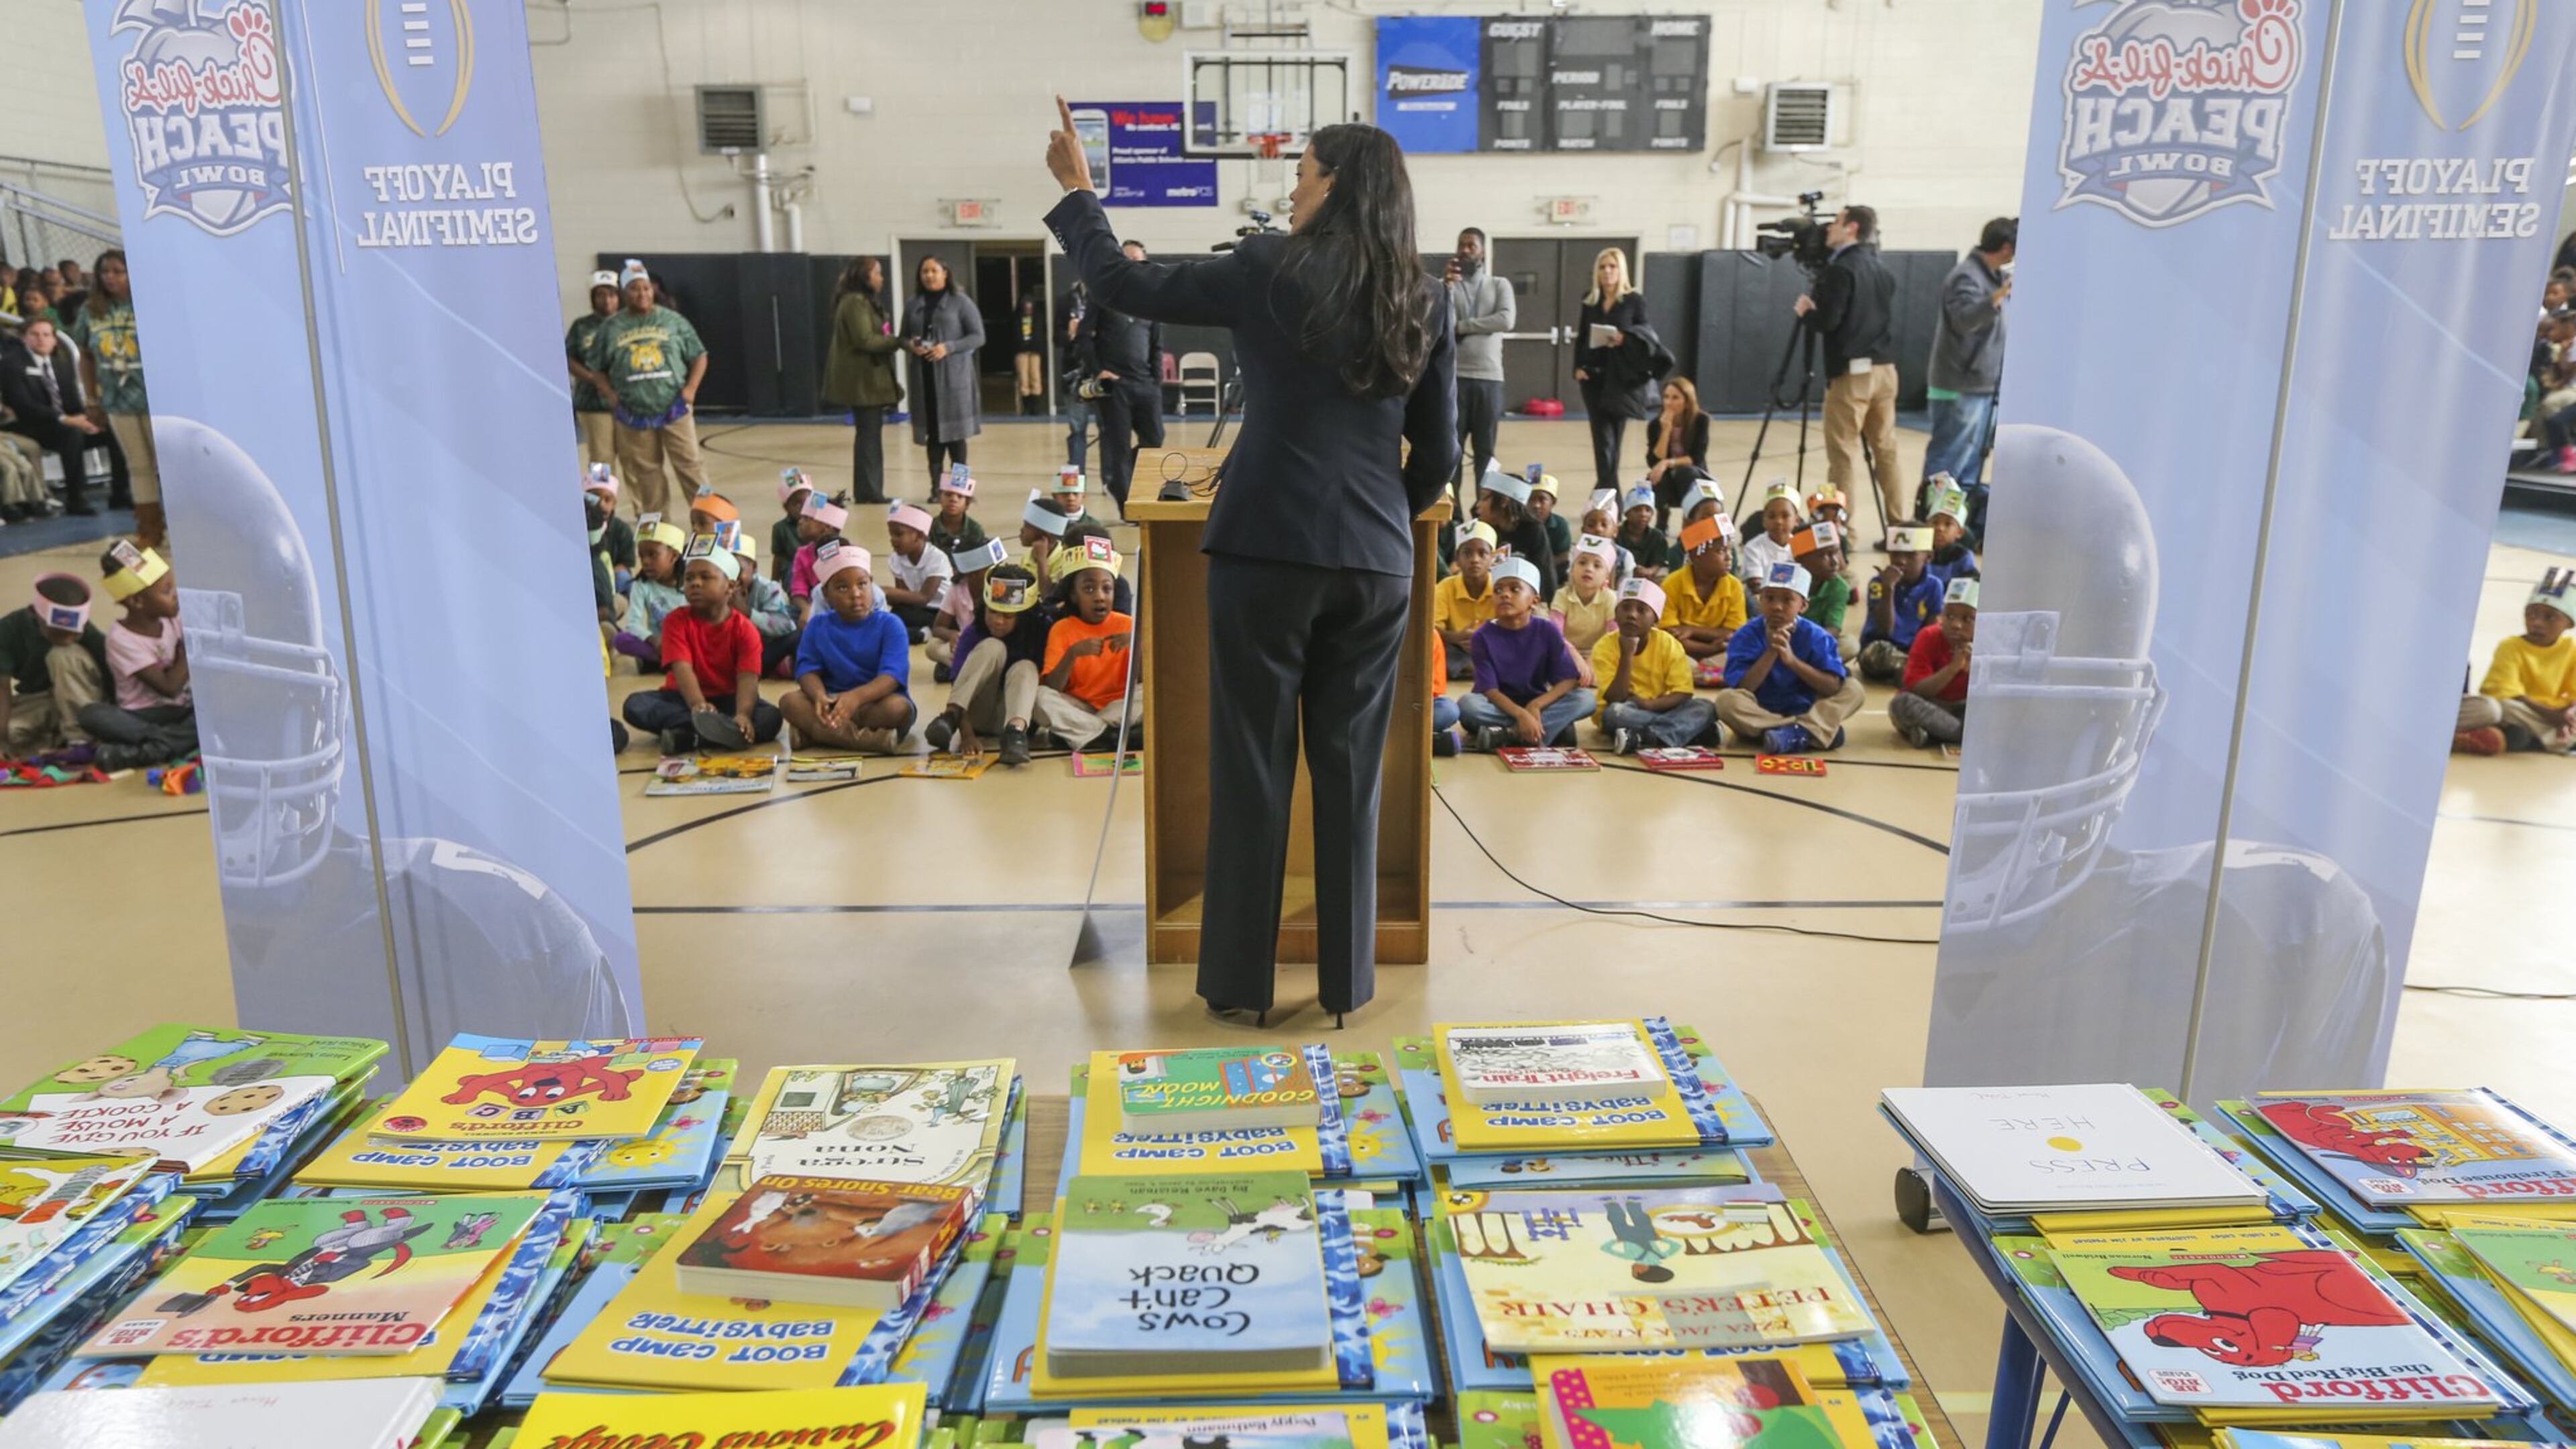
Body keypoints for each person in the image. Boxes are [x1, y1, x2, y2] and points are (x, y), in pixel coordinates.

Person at [1045, 104, 1456, 1024]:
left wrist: (1079, 190)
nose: (1295, 187)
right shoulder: (1426, 295)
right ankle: (1347, 986)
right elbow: (1438, 455)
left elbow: (1118, 282)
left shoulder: (1268, 266)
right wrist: (1382, 511)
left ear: (1335, 185)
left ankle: (1239, 985)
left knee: (1253, 765)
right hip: (1379, 563)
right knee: (1349, 772)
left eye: (1304, 172)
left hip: (1266, 547)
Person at [1794, 206, 1902, 539]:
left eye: (1837, 223)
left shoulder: (1841, 270)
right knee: (1886, 452)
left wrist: (1806, 313)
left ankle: (1844, 531)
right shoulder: (1882, 270)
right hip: (1885, 370)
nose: (1829, 229)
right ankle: (1899, 527)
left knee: (1843, 454)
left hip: (1853, 375)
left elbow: (1829, 322)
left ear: (1852, 228)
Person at [620, 537, 783, 753]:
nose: (695, 583)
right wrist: (698, 705)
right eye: (689, 578)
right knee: (636, 705)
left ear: (731, 587)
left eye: (706, 577)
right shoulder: (676, 621)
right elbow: (682, 668)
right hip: (683, 699)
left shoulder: (745, 629)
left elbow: (747, 677)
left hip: (729, 699)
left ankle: (690, 737)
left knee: (771, 717)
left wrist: (743, 714)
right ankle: (720, 732)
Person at [584, 260, 709, 521]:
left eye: (646, 289)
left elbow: (699, 355)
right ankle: (660, 531)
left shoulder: (672, 321)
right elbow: (597, 367)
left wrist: (691, 389)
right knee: (647, 474)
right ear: (624, 293)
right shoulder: (611, 328)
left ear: (653, 290)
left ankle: (708, 523)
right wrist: (610, 394)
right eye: (634, 289)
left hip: (674, 407)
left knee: (691, 467)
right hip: (634, 414)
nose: (642, 294)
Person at [1716, 560, 1864, 755]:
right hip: (1760, 709)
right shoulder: (1746, 634)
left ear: (1803, 606)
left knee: (1854, 690)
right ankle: (1807, 732)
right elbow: (1743, 688)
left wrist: (1792, 661)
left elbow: (1832, 687)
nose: (1777, 607)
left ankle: (1789, 733)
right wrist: (1772, 652)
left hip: (1805, 707)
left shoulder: (1817, 636)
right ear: (1760, 601)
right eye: (1769, 598)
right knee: (1726, 701)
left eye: (1787, 600)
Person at [1923, 217, 2013, 536]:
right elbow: (1963, 320)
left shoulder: (1994, 276)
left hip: (1985, 385)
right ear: (2005, 248)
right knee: (1948, 463)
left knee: (1972, 465)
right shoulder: (1967, 276)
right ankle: (1930, 529)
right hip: (1960, 386)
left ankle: (1955, 530)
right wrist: (1997, 297)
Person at [782, 545, 916, 753]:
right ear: (826, 594)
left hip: (873, 704)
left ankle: (817, 735)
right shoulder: (817, 626)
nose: (855, 594)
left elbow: (891, 677)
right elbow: (807, 671)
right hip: (832, 703)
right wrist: (819, 697)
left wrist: (856, 698)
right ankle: (867, 741)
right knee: (789, 702)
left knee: (898, 709)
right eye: (843, 588)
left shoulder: (891, 624)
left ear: (872, 585)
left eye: (862, 584)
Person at [83, 542, 196, 771]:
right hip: (143, 716)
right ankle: (167, 742)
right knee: (91, 715)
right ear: (137, 601)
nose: (176, 596)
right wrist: (194, 643)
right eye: (166, 591)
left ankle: (153, 749)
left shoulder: (173, 617)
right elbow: (169, 687)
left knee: (213, 712)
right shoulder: (121, 639)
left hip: (182, 708)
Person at [69, 250, 157, 544]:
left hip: (157, 398)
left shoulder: (149, 303)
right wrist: (92, 400)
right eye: (105, 272)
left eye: (118, 271)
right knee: (138, 465)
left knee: (168, 467)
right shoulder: (91, 310)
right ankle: (149, 529)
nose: (110, 277)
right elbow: (86, 356)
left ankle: (187, 526)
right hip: (118, 400)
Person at [1460, 556, 1591, 750]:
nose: (1505, 594)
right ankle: (1545, 730)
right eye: (1498, 590)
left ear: (1534, 601)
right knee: (1468, 706)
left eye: (1515, 589)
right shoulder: (1482, 636)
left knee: (1585, 699)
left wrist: (1535, 706)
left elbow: (1569, 680)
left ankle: (1510, 735)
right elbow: (1490, 690)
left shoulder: (1547, 630)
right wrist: (1522, 715)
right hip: (1499, 706)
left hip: (1539, 704)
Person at [1078, 239, 1165, 515]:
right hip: (1115, 387)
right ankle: (1128, 505)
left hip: (1146, 385)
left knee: (1155, 440)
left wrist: (1155, 380)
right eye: (1127, 260)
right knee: (1118, 447)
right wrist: (1097, 371)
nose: (1132, 265)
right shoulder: (1102, 295)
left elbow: (1156, 344)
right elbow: (1083, 338)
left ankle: (1129, 471)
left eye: (1137, 260)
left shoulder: (1151, 299)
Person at [1573, 247, 1666, 497]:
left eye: (1612, 266)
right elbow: (1582, 337)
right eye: (1603, 267)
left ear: (1621, 270)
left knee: (1614, 439)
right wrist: (1578, 367)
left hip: (1621, 379)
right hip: (1593, 378)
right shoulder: (1590, 300)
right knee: (1602, 438)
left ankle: (1606, 494)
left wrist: (1624, 338)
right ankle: (1610, 495)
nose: (1607, 272)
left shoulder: (1634, 300)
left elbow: (1646, 334)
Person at [935, 561, 1047, 766]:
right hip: (977, 715)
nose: (998, 621)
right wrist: (967, 735)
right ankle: (950, 715)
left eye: (1008, 616)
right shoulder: (973, 633)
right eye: (993, 612)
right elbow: (959, 684)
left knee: (1026, 667)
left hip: (1017, 716)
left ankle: (1015, 735)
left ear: (1023, 617)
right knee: (993, 647)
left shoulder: (1039, 635)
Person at [2455, 570, 2576, 755]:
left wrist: (2567, 715)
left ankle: (2528, 739)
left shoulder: (2572, 649)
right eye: (2531, 614)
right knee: (2498, 708)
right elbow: (2507, 693)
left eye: (2550, 617)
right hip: (2522, 710)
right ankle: (2557, 741)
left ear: (2569, 623)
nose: (2537, 623)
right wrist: (2553, 718)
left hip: (2552, 714)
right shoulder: (2510, 646)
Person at [1036, 537, 1137, 751]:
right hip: (1079, 707)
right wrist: (1072, 654)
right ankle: (1110, 735)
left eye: (1107, 589)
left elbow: (1143, 682)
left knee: (1150, 694)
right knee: (1039, 698)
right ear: (1074, 595)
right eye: (1089, 590)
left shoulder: (1128, 625)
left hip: (1119, 707)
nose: (1100, 597)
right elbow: (1053, 688)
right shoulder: (1062, 629)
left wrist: (1138, 644)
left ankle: (1089, 735)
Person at [1594, 576, 1715, 755]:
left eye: (1642, 610)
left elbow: (1683, 693)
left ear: (1655, 620)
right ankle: (1690, 732)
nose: (1632, 615)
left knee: (1706, 707)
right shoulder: (1604, 646)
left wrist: (1649, 705)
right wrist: (1627, 654)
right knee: (1615, 713)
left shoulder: (1668, 644)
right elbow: (1615, 698)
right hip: (1627, 710)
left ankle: (1645, 738)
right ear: (1616, 614)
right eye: (1625, 608)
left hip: (1660, 707)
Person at [1, 317, 103, 516]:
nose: (41, 339)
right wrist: (66, 419)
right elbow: (24, 406)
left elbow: (73, 403)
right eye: (35, 335)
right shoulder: (11, 365)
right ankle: (76, 499)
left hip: (62, 423)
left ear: (55, 340)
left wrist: (88, 420)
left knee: (110, 431)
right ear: (24, 338)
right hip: (29, 425)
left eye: (46, 335)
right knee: (71, 434)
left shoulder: (61, 365)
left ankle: (122, 492)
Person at [822, 256, 903, 504]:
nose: (882, 278)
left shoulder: (863, 302)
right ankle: (869, 491)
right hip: (862, 383)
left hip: (866, 382)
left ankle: (869, 489)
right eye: (877, 273)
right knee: (869, 437)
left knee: (869, 435)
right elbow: (865, 339)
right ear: (864, 277)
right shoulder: (855, 303)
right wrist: (900, 341)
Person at [0, 574, 109, 757]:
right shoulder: (8, 630)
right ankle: (57, 741)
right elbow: (2, 691)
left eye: (75, 635)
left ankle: (80, 741)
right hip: (42, 700)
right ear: (36, 615)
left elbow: (112, 670)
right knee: (10, 731)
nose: (69, 639)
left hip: (86, 697)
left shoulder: (85, 630)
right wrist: (1, 740)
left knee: (62, 654)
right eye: (60, 635)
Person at [905, 256, 985, 491]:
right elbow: (901, 337)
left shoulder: (961, 302)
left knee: (956, 436)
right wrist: (911, 345)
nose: (929, 275)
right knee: (934, 436)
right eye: (924, 272)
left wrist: (948, 347)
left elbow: (978, 336)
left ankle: (959, 487)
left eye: (934, 271)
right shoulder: (913, 304)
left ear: (945, 273)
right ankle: (936, 487)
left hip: (954, 380)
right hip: (925, 379)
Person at [1446, 227, 1515, 494]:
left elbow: (1506, 320)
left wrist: (1464, 326)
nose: (1465, 250)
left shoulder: (1499, 285)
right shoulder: (1450, 286)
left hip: (1490, 379)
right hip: (1455, 378)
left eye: (1471, 246)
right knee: (1452, 449)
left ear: (1482, 251)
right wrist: (1448, 286)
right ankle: (1452, 516)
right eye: (1461, 245)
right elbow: (1445, 321)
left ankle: (1482, 510)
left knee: (1486, 451)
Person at [1892, 576, 1977, 749]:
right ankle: (1963, 735)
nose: (1956, 625)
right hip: (1933, 703)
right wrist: (1952, 669)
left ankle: (1935, 735)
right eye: (1950, 616)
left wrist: (1979, 670)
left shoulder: (1989, 643)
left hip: (1967, 708)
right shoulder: (1928, 636)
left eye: (1968, 619)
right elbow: (1918, 690)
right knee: (1901, 704)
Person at [1858, 525, 1943, 684]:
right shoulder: (1877, 584)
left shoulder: (1934, 586)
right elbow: (1885, 629)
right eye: (1895, 554)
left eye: (1911, 556)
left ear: (1928, 557)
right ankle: (1914, 674)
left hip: (1913, 649)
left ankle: (1911, 673)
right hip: (1880, 647)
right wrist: (1889, 589)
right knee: (1878, 653)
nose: (1901, 561)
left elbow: (1931, 629)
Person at [1659, 515, 1747, 659]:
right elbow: (1670, 636)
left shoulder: (1734, 586)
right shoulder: (1672, 584)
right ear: (1696, 555)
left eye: (1730, 550)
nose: (1729, 557)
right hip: (1683, 653)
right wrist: (1709, 649)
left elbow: (1734, 633)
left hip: (1720, 651)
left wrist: (1692, 630)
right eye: (1721, 551)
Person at [612, 517, 688, 669]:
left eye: (653, 555)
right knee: (621, 640)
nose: (645, 562)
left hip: (686, 641)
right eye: (642, 556)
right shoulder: (642, 586)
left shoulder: (690, 583)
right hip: (659, 644)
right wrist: (653, 639)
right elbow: (633, 623)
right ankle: (672, 661)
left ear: (673, 556)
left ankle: (662, 662)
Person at [565, 268, 621, 469]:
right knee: (601, 459)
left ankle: (641, 501)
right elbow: (569, 358)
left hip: (628, 403)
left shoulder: (627, 323)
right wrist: (592, 378)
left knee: (636, 459)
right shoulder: (582, 326)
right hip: (594, 404)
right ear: (593, 298)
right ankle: (601, 499)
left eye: (612, 295)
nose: (607, 301)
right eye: (601, 295)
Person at [931, 537, 1008, 678]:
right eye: (990, 568)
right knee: (932, 647)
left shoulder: (1002, 587)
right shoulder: (956, 590)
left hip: (994, 645)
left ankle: (962, 668)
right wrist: (952, 635)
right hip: (967, 645)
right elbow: (938, 628)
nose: (997, 572)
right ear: (973, 574)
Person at [1643, 378, 1711, 532]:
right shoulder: (1655, 425)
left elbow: (1696, 457)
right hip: (1667, 474)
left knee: (1685, 473)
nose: (1669, 402)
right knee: (1655, 477)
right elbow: (1654, 460)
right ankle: (1662, 518)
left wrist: (1667, 463)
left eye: (1675, 398)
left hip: (1694, 472)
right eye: (1666, 397)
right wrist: (1666, 431)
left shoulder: (1701, 420)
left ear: (1687, 401)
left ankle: (1689, 520)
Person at [728, 531, 798, 679]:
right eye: (726, 571)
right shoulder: (717, 589)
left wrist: (748, 613)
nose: (732, 577)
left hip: (761, 652)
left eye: (738, 570)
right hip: (727, 654)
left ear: (754, 567)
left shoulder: (767, 589)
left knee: (797, 637)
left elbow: (786, 626)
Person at [1435, 522, 1501, 678]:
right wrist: (1458, 637)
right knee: (1433, 648)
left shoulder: (1501, 587)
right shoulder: (1446, 587)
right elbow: (1433, 629)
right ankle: (1476, 669)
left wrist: (1484, 639)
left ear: (1493, 559)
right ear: (1457, 559)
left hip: (1494, 646)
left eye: (1482, 553)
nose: (1475, 560)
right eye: (1467, 553)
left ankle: (1470, 669)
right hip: (1457, 648)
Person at [1474, 466, 1556, 588]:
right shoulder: (1482, 529)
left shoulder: (1533, 531)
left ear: (1504, 501)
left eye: (1485, 498)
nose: (1478, 505)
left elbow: (1545, 576)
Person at [883, 502, 954, 640]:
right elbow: (903, 596)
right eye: (891, 534)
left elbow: (924, 598)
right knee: (895, 615)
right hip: (918, 609)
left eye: (899, 534)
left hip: (941, 609)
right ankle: (921, 633)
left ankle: (920, 633)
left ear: (920, 535)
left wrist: (887, 591)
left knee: (947, 622)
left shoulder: (937, 558)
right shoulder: (895, 559)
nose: (893, 540)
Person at [1552, 534, 1620, 663]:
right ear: (1572, 570)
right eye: (1582, 563)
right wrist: (1576, 658)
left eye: (1597, 565)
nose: (1588, 569)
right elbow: (1556, 634)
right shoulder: (1562, 595)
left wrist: (1591, 661)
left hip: (1599, 652)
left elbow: (1613, 635)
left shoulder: (1610, 598)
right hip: (1565, 651)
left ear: (1607, 575)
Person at [788, 492, 851, 623]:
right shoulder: (802, 554)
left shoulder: (847, 553)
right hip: (811, 606)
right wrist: (806, 609)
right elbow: (798, 589)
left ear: (827, 527)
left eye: (806, 519)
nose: (800, 522)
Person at [1791, 521, 1853, 640]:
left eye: (1835, 553)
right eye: (1825, 555)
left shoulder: (1839, 587)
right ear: (1801, 559)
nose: (1835, 562)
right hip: (1784, 640)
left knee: (1849, 644)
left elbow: (1833, 629)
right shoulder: (1786, 581)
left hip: (1817, 641)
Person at [1737, 480, 1803, 584]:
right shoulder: (1754, 548)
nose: (1778, 521)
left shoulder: (1803, 547)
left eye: (1785, 516)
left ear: (1797, 521)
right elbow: (1756, 584)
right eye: (1772, 516)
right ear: (1764, 521)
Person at [583, 466, 635, 594]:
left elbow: (626, 562)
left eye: (607, 499)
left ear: (614, 503)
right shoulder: (580, 528)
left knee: (624, 578)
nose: (601, 504)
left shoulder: (622, 529)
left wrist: (607, 579)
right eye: (595, 498)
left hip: (613, 582)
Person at [1923, 482, 1980, 589]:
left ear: (1960, 533)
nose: (1940, 528)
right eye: (1935, 523)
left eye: (1948, 524)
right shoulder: (1919, 552)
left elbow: (1971, 583)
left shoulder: (1962, 556)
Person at [1525, 469, 1574, 585]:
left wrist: (1539, 565)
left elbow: (1563, 556)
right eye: (1532, 499)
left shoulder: (1560, 525)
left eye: (1542, 500)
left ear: (1553, 502)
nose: (1536, 505)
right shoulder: (1519, 524)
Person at [928, 464, 988, 558]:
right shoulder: (930, 528)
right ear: (939, 498)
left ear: (967, 503)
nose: (953, 500)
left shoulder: (975, 530)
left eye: (960, 497)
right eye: (948, 495)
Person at [1614, 484, 1671, 583]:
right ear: (1627, 513)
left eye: (1648, 510)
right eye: (1637, 510)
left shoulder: (1657, 536)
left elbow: (1660, 561)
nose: (1643, 514)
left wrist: (1649, 571)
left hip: (1648, 579)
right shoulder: (1616, 534)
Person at [1019, 489, 1073, 584]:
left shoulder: (1065, 560)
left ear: (1045, 534)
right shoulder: (1027, 556)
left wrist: (1042, 561)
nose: (1022, 530)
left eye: (1027, 526)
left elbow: (1049, 595)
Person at [772, 468, 813, 585]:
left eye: (806, 503)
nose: (803, 507)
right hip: (793, 570)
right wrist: (773, 582)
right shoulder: (780, 528)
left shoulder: (817, 524)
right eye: (797, 504)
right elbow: (778, 558)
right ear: (786, 507)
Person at [1014, 288, 1050, 416]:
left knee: (1035, 376)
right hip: (1021, 351)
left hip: (1035, 351)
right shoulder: (1016, 318)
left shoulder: (1039, 317)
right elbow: (1014, 334)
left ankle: (1036, 407)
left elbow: (1040, 333)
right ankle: (1026, 406)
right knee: (1023, 377)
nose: (1028, 309)